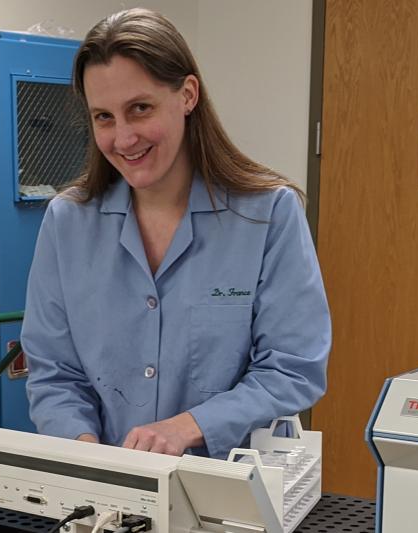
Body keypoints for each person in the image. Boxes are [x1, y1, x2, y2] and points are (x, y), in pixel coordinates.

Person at [21, 8, 331, 459]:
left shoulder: (267, 213)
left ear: (187, 95)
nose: (123, 138)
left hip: (236, 489)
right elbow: (53, 374)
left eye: (139, 108)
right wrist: (88, 454)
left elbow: (293, 368)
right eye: (104, 117)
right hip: (113, 495)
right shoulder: (67, 222)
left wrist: (188, 427)